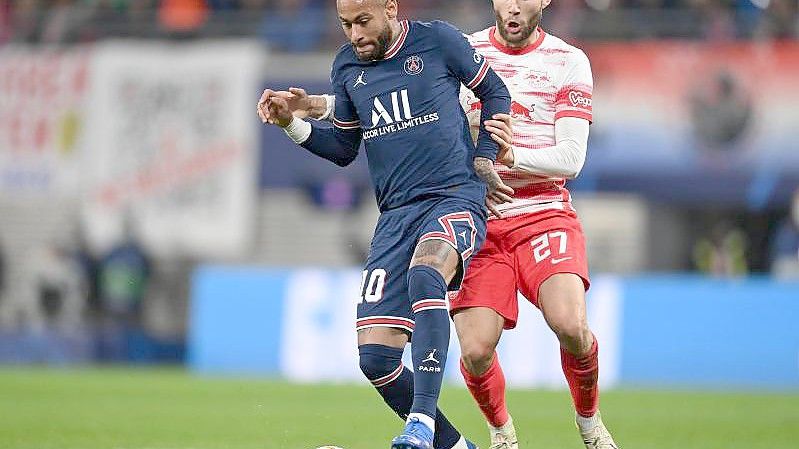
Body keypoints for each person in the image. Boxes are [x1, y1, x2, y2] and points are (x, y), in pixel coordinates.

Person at [279, 1, 620, 448]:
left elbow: (572, 158)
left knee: (570, 325)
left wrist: (498, 158)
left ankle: (589, 423)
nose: (513, 7)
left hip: (531, 210)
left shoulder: (566, 60)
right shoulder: (464, 45)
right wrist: (308, 111)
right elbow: (392, 96)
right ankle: (492, 436)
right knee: (466, 351)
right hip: (454, 213)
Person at [257, 1, 512, 449]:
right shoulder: (347, 66)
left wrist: (486, 154)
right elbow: (342, 147)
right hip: (395, 217)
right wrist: (290, 124)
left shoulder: (436, 40)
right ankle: (457, 447)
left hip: (452, 197)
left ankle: (421, 421)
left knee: (426, 272)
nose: (354, 34)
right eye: (345, 25)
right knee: (376, 359)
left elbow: (495, 91)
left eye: (363, 21)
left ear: (390, 8)